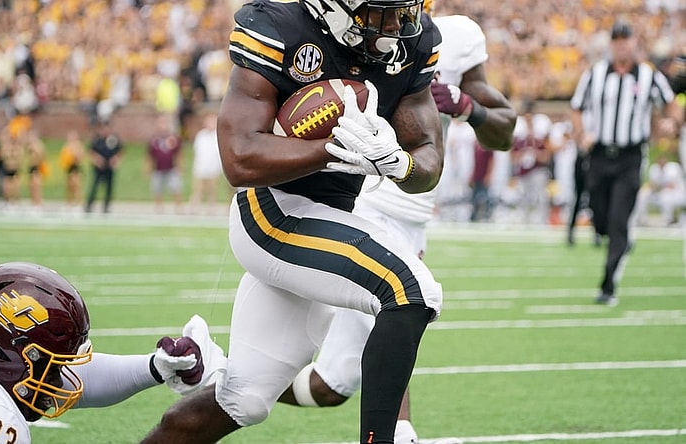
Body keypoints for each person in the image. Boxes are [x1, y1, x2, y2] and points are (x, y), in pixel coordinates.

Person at [143, 1, 445, 443]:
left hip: (331, 218)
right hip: (272, 211)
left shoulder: (414, 42)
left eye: (404, 10)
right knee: (410, 290)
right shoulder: (280, 27)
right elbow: (239, 159)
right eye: (384, 11)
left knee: (242, 399)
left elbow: (430, 157)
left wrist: (400, 164)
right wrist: (335, 150)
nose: (399, 23)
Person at [274, 7, 517, 444]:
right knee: (401, 301)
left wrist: (467, 107)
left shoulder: (453, 36)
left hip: (413, 207)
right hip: (357, 199)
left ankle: (219, 379)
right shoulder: (337, 28)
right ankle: (400, 435)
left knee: (331, 386)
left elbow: (504, 130)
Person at [0, 261, 227, 443]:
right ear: (9, 355)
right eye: (53, 364)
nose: (60, 377)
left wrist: (155, 367)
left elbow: (62, 379)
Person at [570, 20, 680, 306]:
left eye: (625, 40)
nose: (621, 45)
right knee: (600, 216)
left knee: (619, 220)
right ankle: (616, 238)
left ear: (634, 43)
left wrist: (672, 121)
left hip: (631, 157)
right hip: (599, 154)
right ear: (612, 44)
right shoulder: (595, 74)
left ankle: (607, 285)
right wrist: (582, 135)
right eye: (616, 40)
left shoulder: (648, 76)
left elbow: (671, 105)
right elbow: (577, 108)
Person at [188, 111, 224, 214]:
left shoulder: (217, 136)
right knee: (197, 189)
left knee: (211, 190)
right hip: (200, 168)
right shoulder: (201, 135)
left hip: (213, 169)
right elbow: (197, 151)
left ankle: (211, 208)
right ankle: (194, 207)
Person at [147, 113, 184, 212]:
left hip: (171, 168)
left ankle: (178, 208)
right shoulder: (154, 140)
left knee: (176, 188)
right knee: (157, 189)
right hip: (158, 169)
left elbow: (179, 154)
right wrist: (148, 169)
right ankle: (159, 208)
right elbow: (150, 156)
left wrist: (180, 167)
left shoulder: (173, 139)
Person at [85, 120, 123, 214]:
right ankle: (89, 205)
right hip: (99, 168)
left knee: (109, 188)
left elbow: (120, 151)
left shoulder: (113, 139)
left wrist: (115, 160)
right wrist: (97, 159)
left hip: (109, 168)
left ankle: (106, 206)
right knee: (95, 186)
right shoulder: (97, 139)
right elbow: (91, 151)